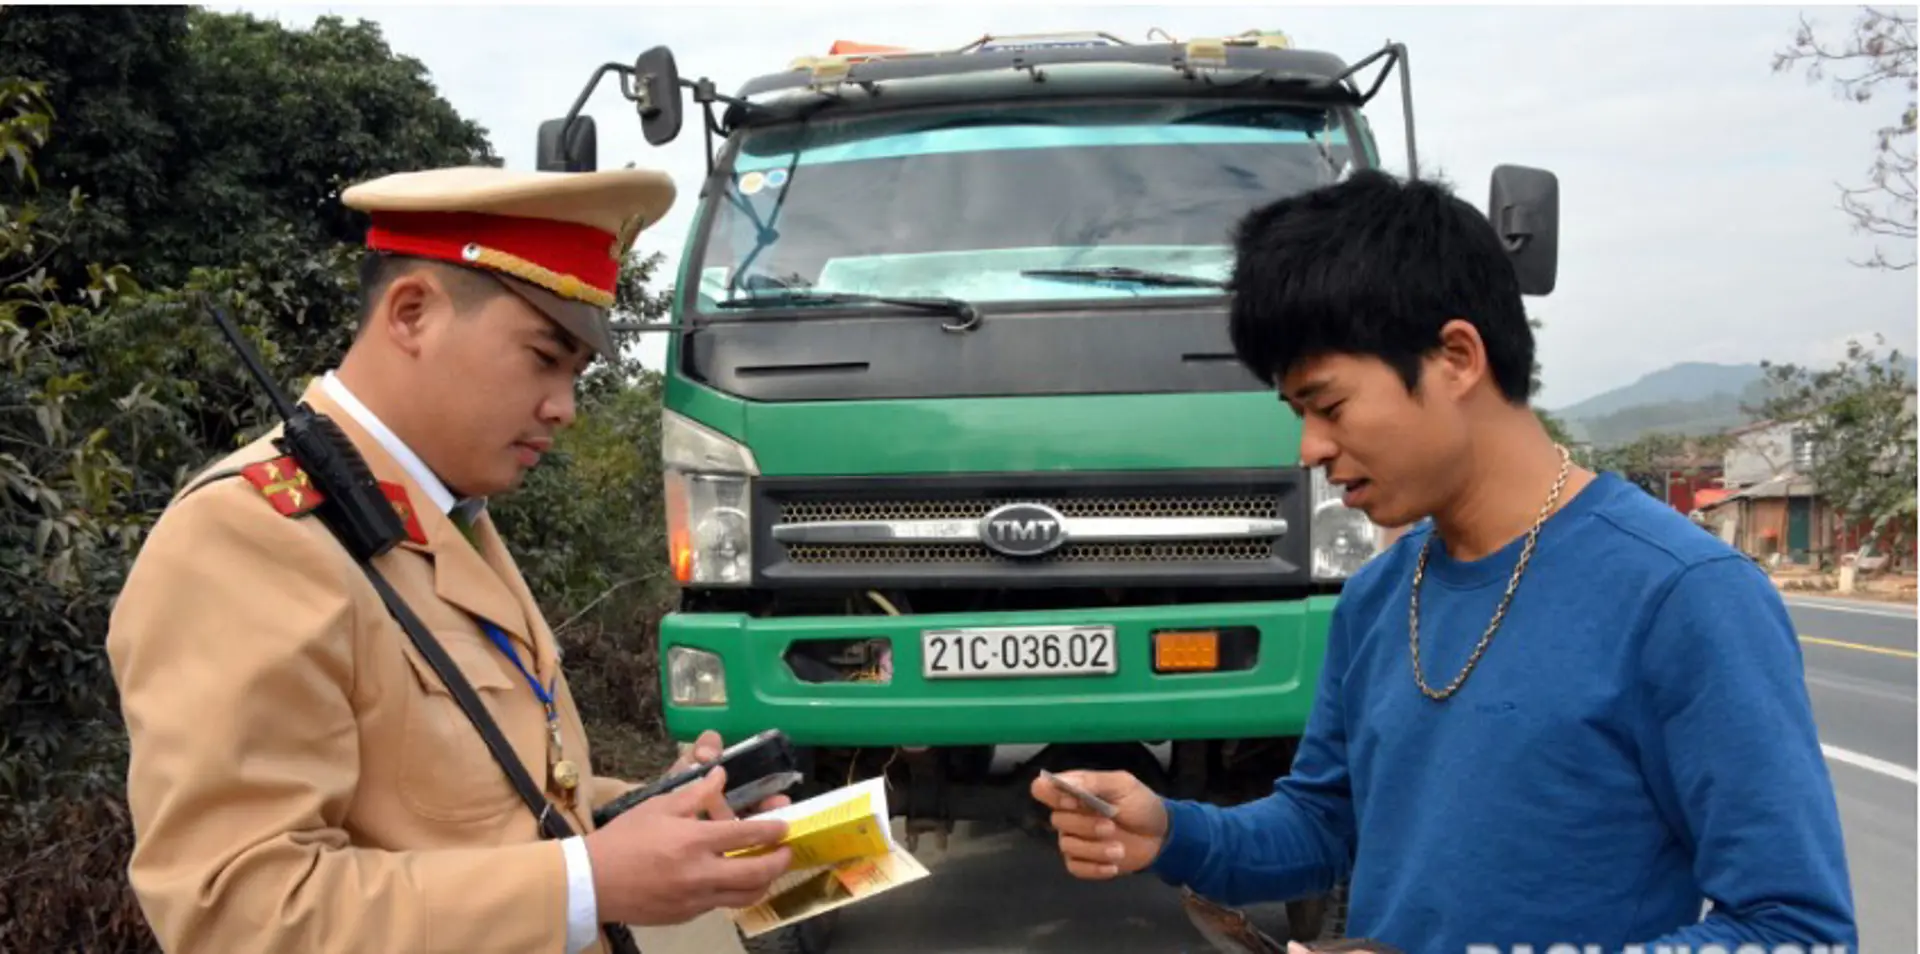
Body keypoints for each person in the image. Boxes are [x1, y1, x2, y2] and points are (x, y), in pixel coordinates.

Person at [1032, 170, 1857, 954]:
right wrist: (1173, 831)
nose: (1311, 447)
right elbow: (1325, 824)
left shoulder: (1681, 595)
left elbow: (1792, 928)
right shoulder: (1380, 595)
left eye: (1328, 404)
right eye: (1298, 413)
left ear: (1457, 358)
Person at [107, 165, 795, 954]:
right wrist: (586, 882)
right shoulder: (249, 536)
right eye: (543, 357)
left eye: (575, 374)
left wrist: (653, 816)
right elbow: (238, 912)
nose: (565, 408)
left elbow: (481, 806)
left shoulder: (444, 516)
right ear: (411, 313)